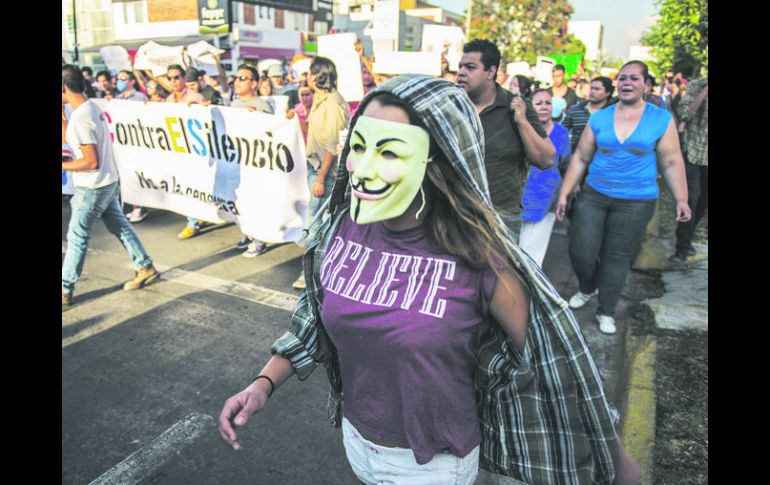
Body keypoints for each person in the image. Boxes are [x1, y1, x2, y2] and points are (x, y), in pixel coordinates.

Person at [218, 74, 640, 485]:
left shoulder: (481, 258)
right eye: (359, 146)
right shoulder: (342, 225)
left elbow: (556, 363)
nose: (363, 169)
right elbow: (315, 312)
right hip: (356, 441)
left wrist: (614, 459)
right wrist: (262, 384)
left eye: (388, 152)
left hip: (432, 466)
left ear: (438, 157)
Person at [555, 61, 691, 335]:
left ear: (645, 85)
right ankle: (587, 286)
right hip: (594, 196)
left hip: (635, 201)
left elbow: (672, 161)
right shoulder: (601, 117)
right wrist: (565, 193)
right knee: (581, 250)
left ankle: (606, 310)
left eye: (634, 78)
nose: (627, 83)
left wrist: (682, 198)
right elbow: (581, 157)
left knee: (615, 257)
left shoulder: (660, 118)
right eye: (622, 78)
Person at [61, 65, 159, 305]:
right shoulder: (89, 108)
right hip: (106, 182)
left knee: (77, 237)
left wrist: (64, 166)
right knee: (120, 227)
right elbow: (72, 138)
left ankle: (65, 288)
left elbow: (90, 161)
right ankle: (145, 266)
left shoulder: (81, 118)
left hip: (92, 187)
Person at [456, 39, 554, 242]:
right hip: (455, 211)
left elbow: (545, 159)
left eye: (470, 67)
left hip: (500, 217)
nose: (461, 72)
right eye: (460, 67)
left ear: (491, 72)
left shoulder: (516, 105)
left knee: (498, 273)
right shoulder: (451, 104)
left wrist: (521, 121)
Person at [292, 56, 350, 290]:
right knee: (317, 224)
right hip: (315, 168)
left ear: (319, 75)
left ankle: (310, 275)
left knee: (315, 226)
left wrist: (322, 179)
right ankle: (316, 271)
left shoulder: (334, 102)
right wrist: (296, 120)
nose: (307, 77)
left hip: (325, 172)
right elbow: (314, 132)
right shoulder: (320, 99)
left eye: (310, 73)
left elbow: (332, 145)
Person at [518, 90, 570, 267]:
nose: (544, 107)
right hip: (518, 199)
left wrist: (564, 194)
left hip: (546, 201)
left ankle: (528, 293)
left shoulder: (561, 133)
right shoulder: (519, 129)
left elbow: (565, 165)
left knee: (533, 258)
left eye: (548, 103)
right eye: (538, 103)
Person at [229, 64, 275, 257]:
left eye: (242, 78)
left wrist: (255, 117)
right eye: (237, 78)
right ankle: (248, 232)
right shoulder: (232, 105)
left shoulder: (262, 105)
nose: (237, 82)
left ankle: (259, 239)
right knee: (242, 201)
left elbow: (271, 134)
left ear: (254, 83)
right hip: (237, 162)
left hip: (256, 164)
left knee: (256, 201)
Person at [165, 64, 208, 240]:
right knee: (185, 187)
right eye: (170, 78)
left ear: (183, 78)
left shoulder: (195, 97)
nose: (173, 81)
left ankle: (195, 220)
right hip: (177, 151)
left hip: (196, 152)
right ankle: (194, 219)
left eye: (176, 77)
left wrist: (198, 109)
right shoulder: (168, 100)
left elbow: (206, 120)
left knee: (197, 186)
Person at [670, 76, 707, 263]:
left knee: (702, 203)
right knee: (690, 199)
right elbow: (685, 115)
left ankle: (688, 237)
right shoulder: (696, 85)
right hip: (692, 151)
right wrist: (705, 92)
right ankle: (681, 247)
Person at [112, 70, 151, 223]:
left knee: (137, 175)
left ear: (132, 81)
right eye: (118, 78)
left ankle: (138, 207)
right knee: (126, 175)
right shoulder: (117, 98)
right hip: (123, 143)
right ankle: (133, 205)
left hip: (137, 142)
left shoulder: (140, 97)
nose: (119, 81)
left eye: (123, 78)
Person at [562, 76, 614, 152]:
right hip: (575, 156)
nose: (592, 91)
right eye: (591, 88)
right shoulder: (575, 109)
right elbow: (562, 132)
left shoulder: (612, 113)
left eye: (597, 89)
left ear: (608, 93)